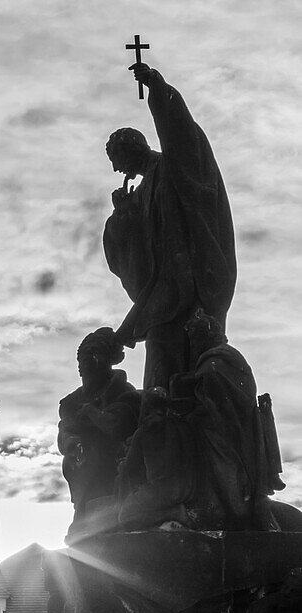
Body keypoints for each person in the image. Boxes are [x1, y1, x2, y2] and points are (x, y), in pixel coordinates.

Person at [103, 63, 235, 393]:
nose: (118, 169)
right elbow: (123, 249)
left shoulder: (177, 164)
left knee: (198, 348)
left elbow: (181, 130)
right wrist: (122, 216)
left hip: (193, 281)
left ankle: (183, 418)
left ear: (130, 151)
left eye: (117, 160)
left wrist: (158, 90)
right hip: (164, 291)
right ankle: (158, 425)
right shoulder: (141, 193)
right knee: (160, 348)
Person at [57, 327, 139, 529]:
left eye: (95, 352)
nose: (88, 359)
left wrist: (92, 414)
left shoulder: (123, 391)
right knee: (76, 459)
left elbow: (119, 426)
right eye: (84, 354)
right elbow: (64, 431)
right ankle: (84, 514)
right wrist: (70, 441)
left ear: (109, 359)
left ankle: (103, 517)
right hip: (81, 465)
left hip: (113, 466)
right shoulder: (70, 402)